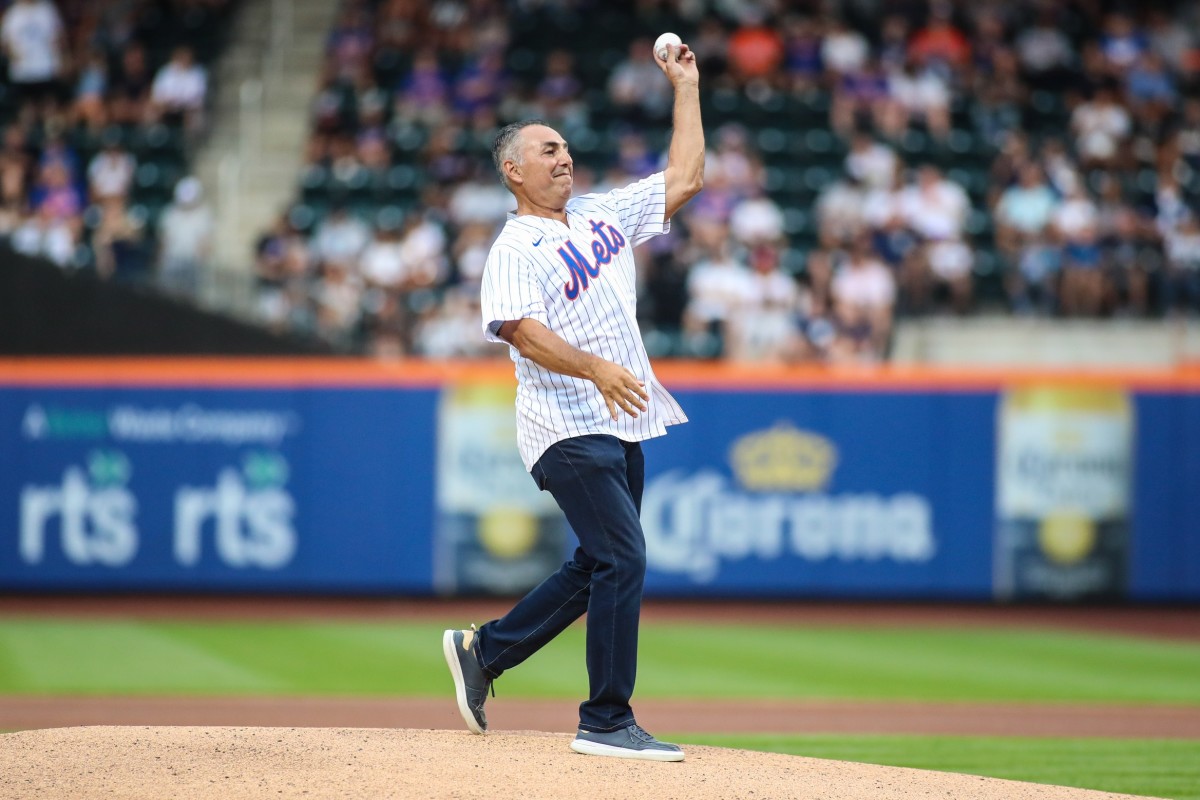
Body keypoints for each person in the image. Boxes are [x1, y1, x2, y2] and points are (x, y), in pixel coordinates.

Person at [442, 38, 703, 762]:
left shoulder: (600, 216)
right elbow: (520, 332)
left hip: (621, 420)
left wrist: (685, 87)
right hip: (564, 424)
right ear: (512, 169)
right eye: (546, 149)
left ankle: (485, 653)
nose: (563, 157)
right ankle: (606, 720)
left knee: (598, 563)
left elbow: (683, 177)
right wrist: (595, 368)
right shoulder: (513, 247)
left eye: (566, 148)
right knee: (625, 558)